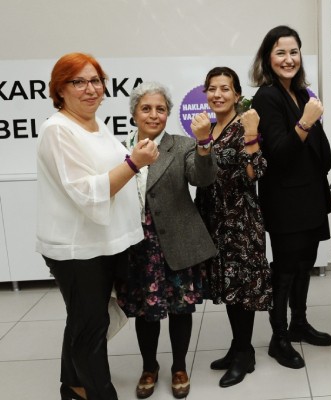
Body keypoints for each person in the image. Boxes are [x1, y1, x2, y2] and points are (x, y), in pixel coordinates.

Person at [37, 53, 159, 400]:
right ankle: (100, 393)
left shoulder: (93, 123)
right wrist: (135, 163)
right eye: (78, 82)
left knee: (84, 320)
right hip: (78, 249)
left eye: (95, 80)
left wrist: (131, 160)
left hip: (101, 243)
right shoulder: (58, 130)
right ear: (60, 89)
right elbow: (87, 191)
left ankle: (73, 385)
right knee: (91, 329)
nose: (90, 89)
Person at [115, 82, 217, 399]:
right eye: (146, 108)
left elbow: (203, 178)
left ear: (168, 114)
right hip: (137, 245)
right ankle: (149, 367)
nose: (154, 115)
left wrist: (204, 144)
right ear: (134, 114)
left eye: (160, 109)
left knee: (180, 309)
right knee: (145, 311)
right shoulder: (118, 149)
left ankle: (179, 367)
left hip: (177, 242)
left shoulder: (182, 145)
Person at [251, 25, 331, 370]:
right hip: (285, 201)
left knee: (305, 264)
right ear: (268, 58)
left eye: (294, 52)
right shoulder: (267, 97)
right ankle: (279, 337)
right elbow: (279, 154)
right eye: (280, 52)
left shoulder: (301, 93)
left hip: (311, 195)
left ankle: (299, 322)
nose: (289, 59)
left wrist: (311, 121)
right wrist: (305, 123)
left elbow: (321, 153)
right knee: (285, 269)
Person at [193, 67, 273, 387]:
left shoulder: (244, 125)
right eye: (212, 88)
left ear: (237, 94)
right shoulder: (209, 128)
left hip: (239, 221)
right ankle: (238, 345)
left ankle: (244, 354)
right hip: (214, 220)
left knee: (240, 289)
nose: (218, 94)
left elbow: (256, 173)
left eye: (225, 88)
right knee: (228, 288)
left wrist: (252, 135)